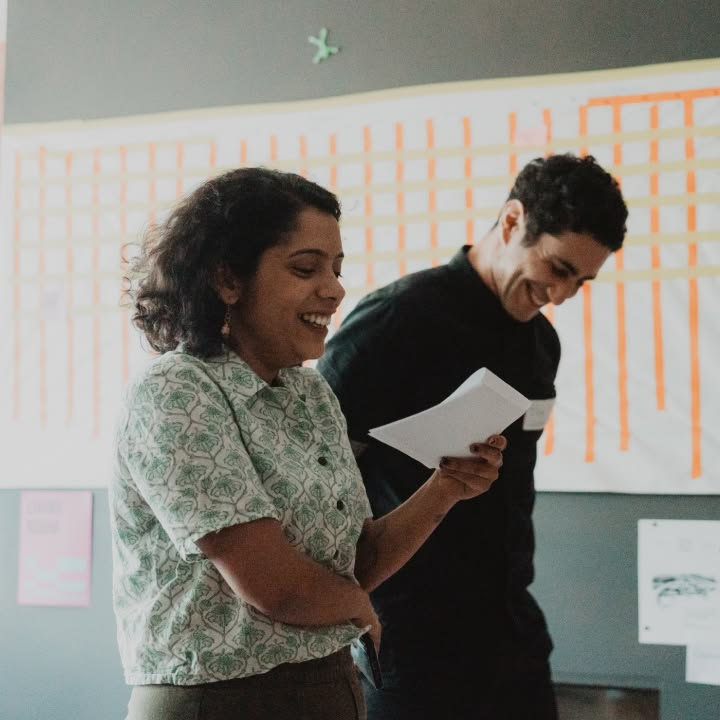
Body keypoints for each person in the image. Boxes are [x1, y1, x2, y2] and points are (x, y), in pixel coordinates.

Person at [110, 167, 507, 720]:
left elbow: (355, 562)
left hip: (329, 689)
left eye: (338, 269)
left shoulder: (309, 392)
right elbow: (276, 585)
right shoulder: (176, 390)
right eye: (306, 268)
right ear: (228, 280)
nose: (336, 288)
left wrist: (445, 488)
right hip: (218, 702)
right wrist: (359, 610)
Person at [317, 153, 629, 720]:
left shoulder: (541, 345)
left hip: (512, 634)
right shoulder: (397, 319)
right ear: (512, 221)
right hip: (410, 635)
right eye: (557, 269)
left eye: (581, 282)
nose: (561, 296)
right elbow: (312, 464)